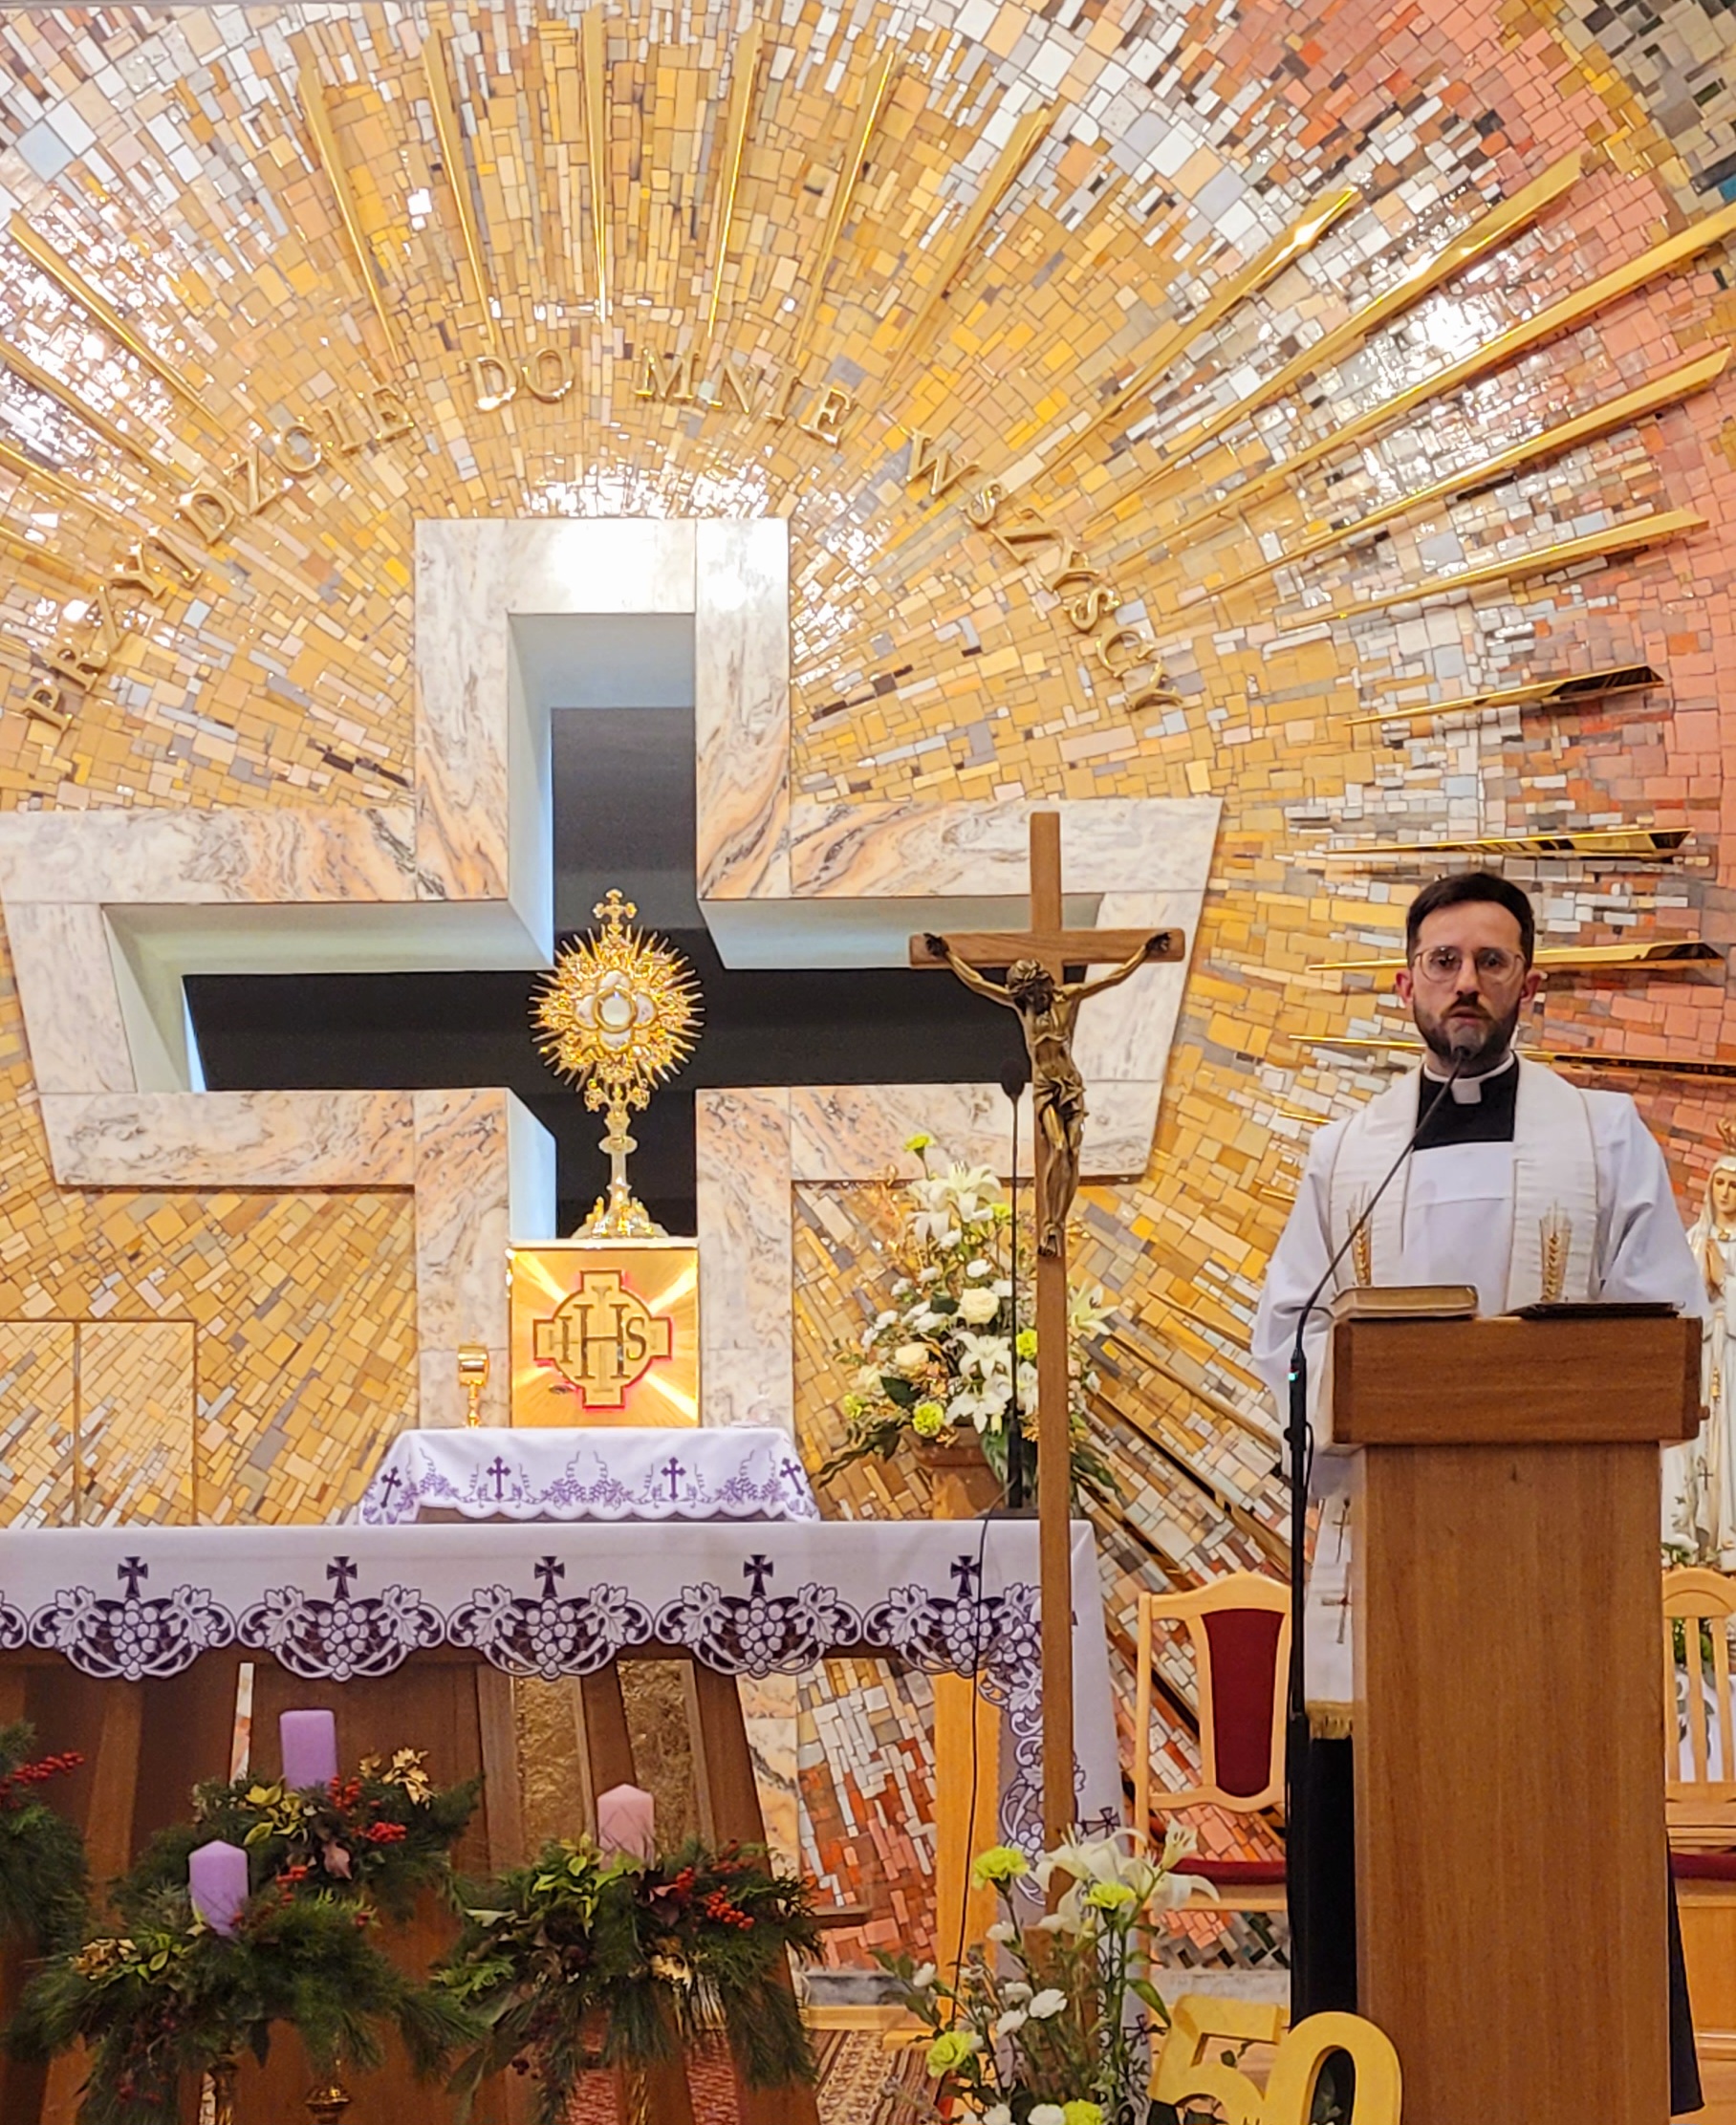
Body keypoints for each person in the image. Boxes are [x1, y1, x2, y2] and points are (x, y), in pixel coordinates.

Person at [1251, 869, 1706, 2112]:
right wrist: (1366, 1392)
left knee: (1562, 1812)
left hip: (1558, 1560)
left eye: (1491, 962)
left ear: (1529, 983)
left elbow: (1663, 1321)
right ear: (1405, 983)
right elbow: (1288, 1331)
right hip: (1394, 1562)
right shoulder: (1349, 1155)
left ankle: (1588, 2075)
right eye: (1444, 961)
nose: (1466, 983)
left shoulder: (1601, 1137)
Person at [1667, 1128, 1736, 1566]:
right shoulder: (1693, 1240)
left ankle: (1729, 1543)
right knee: (1696, 1450)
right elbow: (1679, 1298)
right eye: (1720, 1183)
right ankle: (1691, 1543)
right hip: (1702, 1353)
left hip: (1732, 1359)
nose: (1725, 1193)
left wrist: (1723, 1281)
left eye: (1734, 1185)